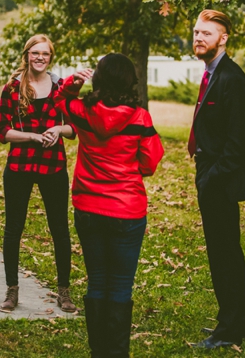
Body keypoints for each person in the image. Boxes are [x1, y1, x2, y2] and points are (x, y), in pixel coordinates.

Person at [53, 53, 164, 358]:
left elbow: (59, 101)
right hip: (127, 210)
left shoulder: (81, 110)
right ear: (130, 81)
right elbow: (150, 162)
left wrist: (72, 84)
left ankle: (98, 352)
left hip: (88, 207)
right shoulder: (140, 117)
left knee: (97, 280)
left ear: (98, 79)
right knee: (120, 285)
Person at [187, 10, 245, 349]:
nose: (199, 37)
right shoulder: (211, 74)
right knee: (222, 253)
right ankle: (233, 323)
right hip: (210, 173)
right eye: (196, 32)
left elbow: (238, 142)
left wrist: (210, 179)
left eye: (207, 33)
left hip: (221, 178)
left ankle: (230, 330)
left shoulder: (232, 78)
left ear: (224, 38)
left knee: (225, 254)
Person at [0, 34, 77, 313]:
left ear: (51, 58)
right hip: (19, 165)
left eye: (46, 54)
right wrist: (30, 136)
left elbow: (75, 128)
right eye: (36, 53)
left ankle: (64, 292)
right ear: (27, 55)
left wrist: (57, 130)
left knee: (60, 229)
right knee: (13, 229)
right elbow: (1, 131)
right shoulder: (12, 88)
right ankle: (12, 290)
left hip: (53, 166)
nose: (40, 58)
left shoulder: (61, 87)